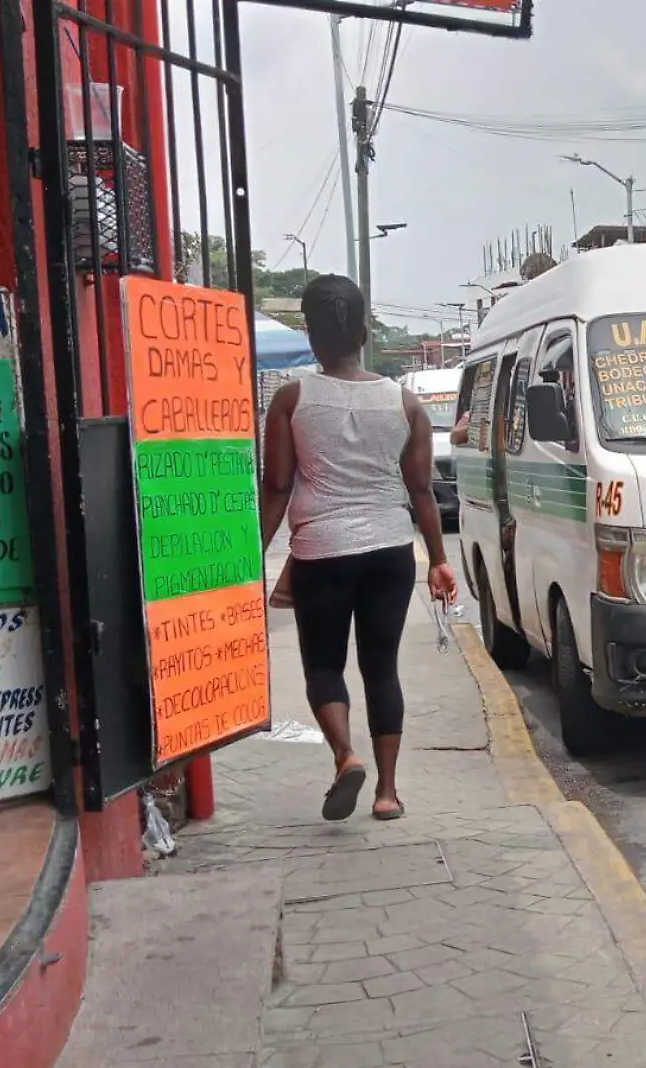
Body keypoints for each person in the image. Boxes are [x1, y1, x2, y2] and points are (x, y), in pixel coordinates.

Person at [260, 276, 458, 822]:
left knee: (324, 665)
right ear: (366, 331)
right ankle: (388, 793)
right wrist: (439, 561)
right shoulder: (406, 404)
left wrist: (250, 555)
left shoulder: (291, 400)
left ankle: (346, 756)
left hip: (321, 552)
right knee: (381, 668)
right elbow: (422, 491)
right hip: (391, 552)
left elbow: (277, 485)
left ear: (311, 333)